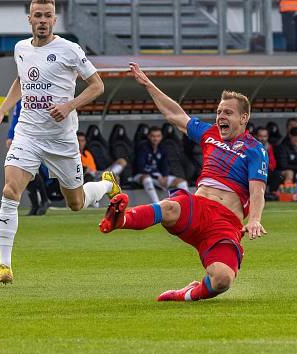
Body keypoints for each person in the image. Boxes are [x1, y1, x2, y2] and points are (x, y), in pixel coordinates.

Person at [99, 62, 269, 302]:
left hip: (224, 223)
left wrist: (254, 220)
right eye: (219, 112)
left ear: (244, 118)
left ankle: (188, 294)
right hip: (197, 209)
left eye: (228, 113)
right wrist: (149, 85)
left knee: (222, 280)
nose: (221, 116)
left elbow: (258, 190)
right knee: (171, 206)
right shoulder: (210, 133)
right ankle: (120, 219)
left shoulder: (254, 149)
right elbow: (175, 114)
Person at [0, 0, 121, 284]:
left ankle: (108, 183)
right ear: (29, 19)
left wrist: (70, 105)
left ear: (55, 19)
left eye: (48, 15)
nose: (43, 20)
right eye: (38, 15)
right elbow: (21, 82)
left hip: (61, 140)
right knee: (10, 190)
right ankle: (4, 266)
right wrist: (1, 112)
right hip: (28, 134)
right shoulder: (21, 48)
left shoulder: (69, 50)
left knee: (76, 202)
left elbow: (97, 85)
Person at [7, 100, 51, 216]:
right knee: (25, 171)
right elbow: (16, 118)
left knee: (32, 171)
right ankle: (36, 204)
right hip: (22, 139)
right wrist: (11, 136)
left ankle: (44, 200)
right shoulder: (21, 99)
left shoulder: (38, 96)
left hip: (36, 138)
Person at [134, 126, 189, 203]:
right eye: (153, 136)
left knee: (182, 182)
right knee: (147, 179)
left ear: (161, 137)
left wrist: (165, 176)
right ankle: (157, 205)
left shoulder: (162, 148)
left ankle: (186, 204)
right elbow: (141, 167)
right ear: (148, 136)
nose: (156, 139)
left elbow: (165, 164)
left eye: (158, 136)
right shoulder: (143, 147)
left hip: (159, 177)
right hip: (142, 175)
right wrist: (157, 175)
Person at [254, 127, 279, 198]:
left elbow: (273, 165)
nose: (262, 138)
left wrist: (263, 165)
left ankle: (271, 194)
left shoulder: (269, 147)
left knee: (277, 175)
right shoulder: (251, 146)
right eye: (260, 136)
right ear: (256, 136)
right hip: (253, 172)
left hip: (265, 170)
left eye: (265, 136)